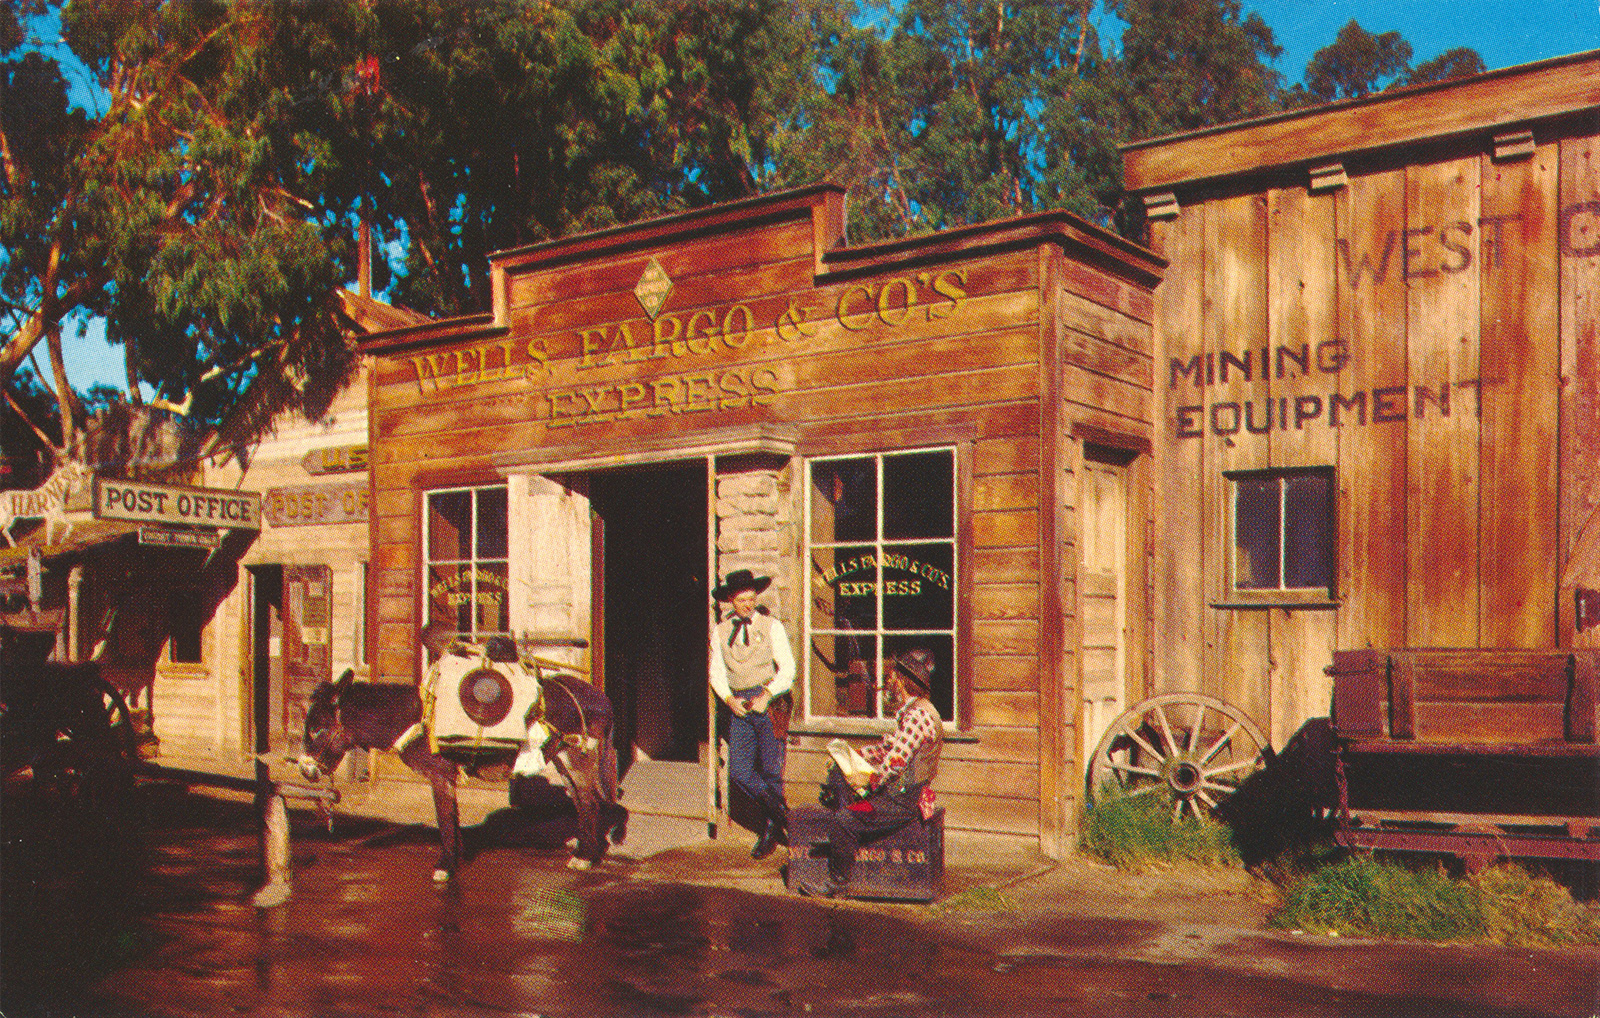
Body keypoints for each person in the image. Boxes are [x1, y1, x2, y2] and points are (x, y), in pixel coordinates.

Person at [795, 647, 944, 898]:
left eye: (892, 677)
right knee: (840, 777)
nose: (888, 681)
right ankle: (841, 840)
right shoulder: (916, 711)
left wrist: (866, 784)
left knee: (846, 819)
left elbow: (894, 763)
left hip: (901, 800)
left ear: (903, 681)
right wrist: (852, 756)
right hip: (899, 794)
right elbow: (888, 747)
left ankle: (838, 882)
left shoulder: (918, 716)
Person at [709, 569, 795, 859]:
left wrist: (768, 695)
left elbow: (788, 670)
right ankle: (784, 815)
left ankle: (771, 829)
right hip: (739, 706)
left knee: (771, 770)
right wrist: (729, 699)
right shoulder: (720, 632)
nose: (747, 604)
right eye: (741, 600)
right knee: (740, 772)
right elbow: (716, 673)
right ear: (730, 600)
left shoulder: (772, 626)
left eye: (751, 598)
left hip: (768, 703)